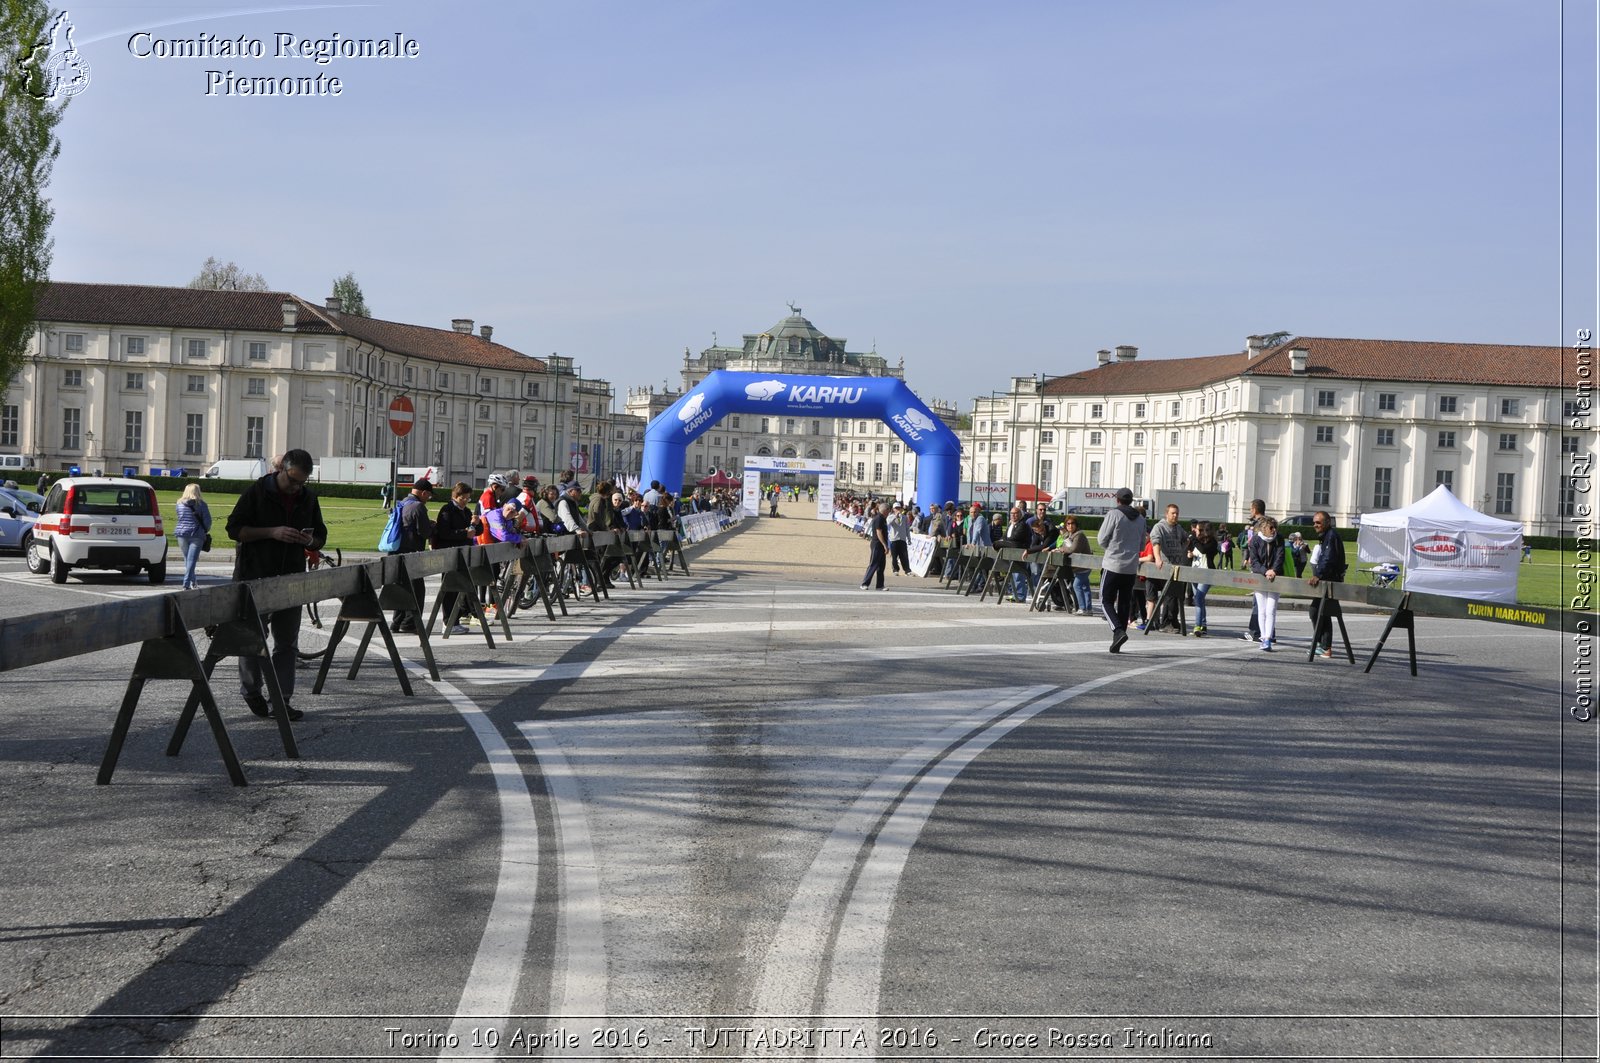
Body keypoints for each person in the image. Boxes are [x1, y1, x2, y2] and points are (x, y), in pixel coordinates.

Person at [226, 448, 328, 721]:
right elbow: (234, 529)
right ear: (281, 469)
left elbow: (321, 536)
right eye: (292, 480)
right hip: (255, 577)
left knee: (287, 643)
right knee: (252, 639)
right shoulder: (256, 492)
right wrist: (271, 532)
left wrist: (309, 541)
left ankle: (282, 700)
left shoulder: (307, 497)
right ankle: (251, 691)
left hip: (290, 579)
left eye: (301, 482)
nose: (296, 487)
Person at [1097, 487, 1147, 654]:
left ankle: (1118, 630)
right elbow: (1141, 545)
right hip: (1131, 567)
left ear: (1117, 499)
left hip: (1113, 563)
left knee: (1105, 600)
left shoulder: (1114, 514)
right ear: (1131, 500)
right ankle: (1119, 636)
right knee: (1124, 602)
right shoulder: (1140, 519)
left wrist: (1113, 547)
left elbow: (1102, 539)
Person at [431, 482, 477, 634]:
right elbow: (444, 533)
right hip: (450, 553)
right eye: (463, 498)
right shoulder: (447, 510)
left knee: (458, 589)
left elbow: (477, 530)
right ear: (455, 497)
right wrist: (464, 533)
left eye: (468, 498)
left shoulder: (466, 511)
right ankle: (447, 622)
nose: (465, 501)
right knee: (449, 589)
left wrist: (476, 524)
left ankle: (455, 621)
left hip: (462, 554)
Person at [391, 478, 434, 633]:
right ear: (423, 493)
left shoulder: (402, 503)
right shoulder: (418, 507)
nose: (428, 499)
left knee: (401, 587)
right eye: (428, 496)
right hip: (411, 552)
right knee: (417, 589)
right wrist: (432, 526)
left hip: (396, 550)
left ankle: (397, 622)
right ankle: (410, 623)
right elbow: (425, 532)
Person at [1305, 510, 1347, 659]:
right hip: (1328, 581)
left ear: (1327, 522)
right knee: (1320, 612)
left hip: (1330, 582)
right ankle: (1323, 645)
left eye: (1318, 522)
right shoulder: (1327, 537)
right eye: (1314, 523)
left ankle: (1325, 646)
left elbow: (1328, 559)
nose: (1315, 525)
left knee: (1316, 611)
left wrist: (1318, 575)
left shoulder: (1331, 536)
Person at [1246, 516, 1286, 651]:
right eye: (1271, 528)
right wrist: (1265, 571)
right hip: (1260, 578)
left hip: (1275, 577)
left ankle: (1268, 637)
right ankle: (1263, 638)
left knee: (1271, 609)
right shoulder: (1255, 540)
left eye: (1275, 527)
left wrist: (1273, 570)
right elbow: (1254, 562)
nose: (1274, 530)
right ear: (1263, 528)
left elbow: (1280, 557)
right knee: (1262, 609)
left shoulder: (1279, 539)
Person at [1147, 503, 1188, 632]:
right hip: (1165, 566)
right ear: (1167, 514)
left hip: (1177, 566)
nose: (1175, 516)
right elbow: (1155, 542)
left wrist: (1182, 549)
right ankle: (1165, 623)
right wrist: (1158, 558)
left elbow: (1186, 539)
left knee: (1176, 596)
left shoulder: (1179, 528)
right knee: (1169, 595)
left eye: (1177, 513)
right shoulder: (1160, 527)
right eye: (1173, 513)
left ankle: (1174, 621)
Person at [174, 482, 212, 590]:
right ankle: (186, 584)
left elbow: (180, 517)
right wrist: (205, 530)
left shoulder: (179, 504)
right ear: (197, 492)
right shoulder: (202, 504)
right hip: (196, 534)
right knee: (191, 560)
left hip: (181, 533)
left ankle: (193, 582)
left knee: (187, 559)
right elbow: (207, 522)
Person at [1188, 521, 1220, 636]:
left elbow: (1203, 550)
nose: (1194, 531)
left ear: (1203, 530)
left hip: (1206, 573)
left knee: (1198, 598)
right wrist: (1190, 554)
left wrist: (1194, 540)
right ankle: (1203, 624)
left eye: (1197, 529)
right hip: (1194, 572)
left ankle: (1197, 626)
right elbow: (1193, 551)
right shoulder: (1196, 541)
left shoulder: (1212, 542)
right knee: (1200, 600)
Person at [1059, 516, 1093, 613]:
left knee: (1076, 586)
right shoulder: (1069, 535)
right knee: (1085, 587)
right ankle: (1088, 609)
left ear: (1076, 525)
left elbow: (1074, 549)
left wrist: (1062, 550)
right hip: (1079, 566)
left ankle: (1082, 608)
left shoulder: (1079, 535)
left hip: (1083, 565)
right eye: (1068, 524)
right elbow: (1065, 546)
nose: (1070, 526)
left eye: (1072, 523)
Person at [860, 501, 889, 590]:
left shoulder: (883, 518)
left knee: (881, 566)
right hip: (877, 544)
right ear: (885, 510)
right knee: (873, 564)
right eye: (888, 510)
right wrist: (884, 545)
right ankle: (864, 583)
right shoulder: (878, 518)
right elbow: (878, 532)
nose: (889, 512)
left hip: (881, 545)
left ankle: (880, 585)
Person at [887, 503, 911, 575]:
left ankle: (907, 570)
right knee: (894, 556)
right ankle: (895, 570)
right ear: (893, 509)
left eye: (899, 508)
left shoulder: (904, 517)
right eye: (896, 508)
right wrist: (895, 516)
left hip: (902, 538)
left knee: (904, 555)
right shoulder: (890, 517)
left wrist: (909, 538)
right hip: (894, 539)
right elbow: (888, 523)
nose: (898, 509)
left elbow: (907, 528)